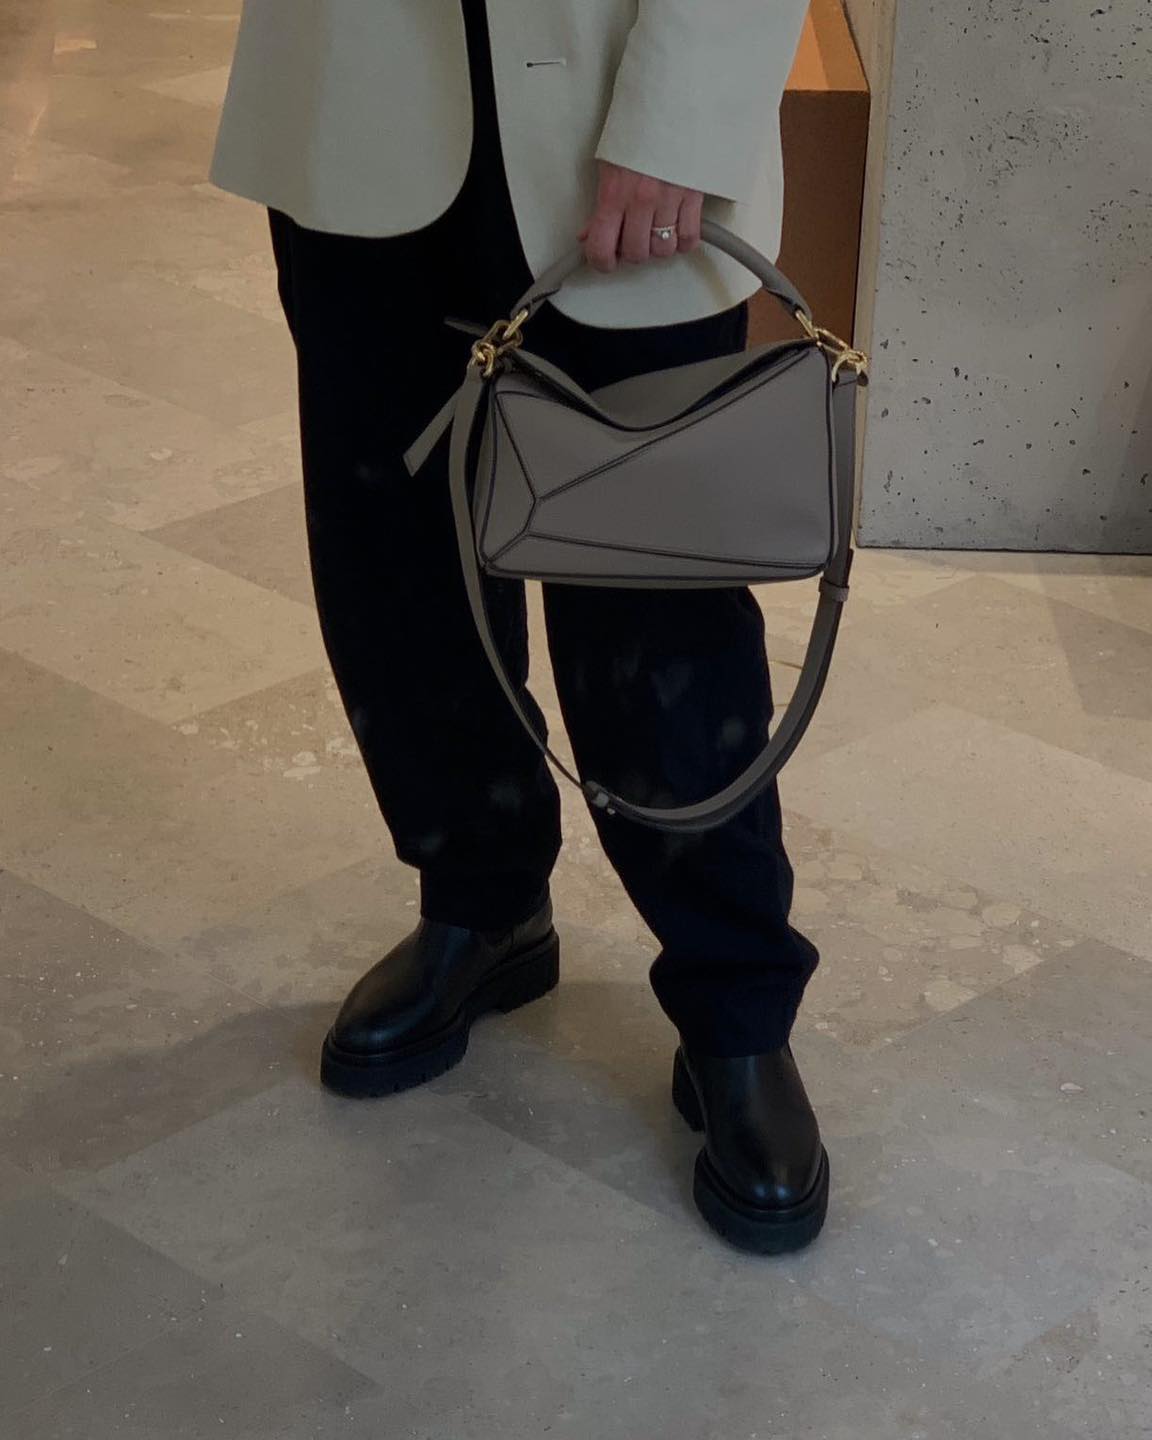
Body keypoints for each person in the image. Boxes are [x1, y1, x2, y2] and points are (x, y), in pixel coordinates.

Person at [210, 0, 828, 1253]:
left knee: (656, 605)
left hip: (616, 98)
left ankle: (736, 1003)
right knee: (397, 564)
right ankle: (481, 898)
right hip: (354, 97)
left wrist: (683, 113)